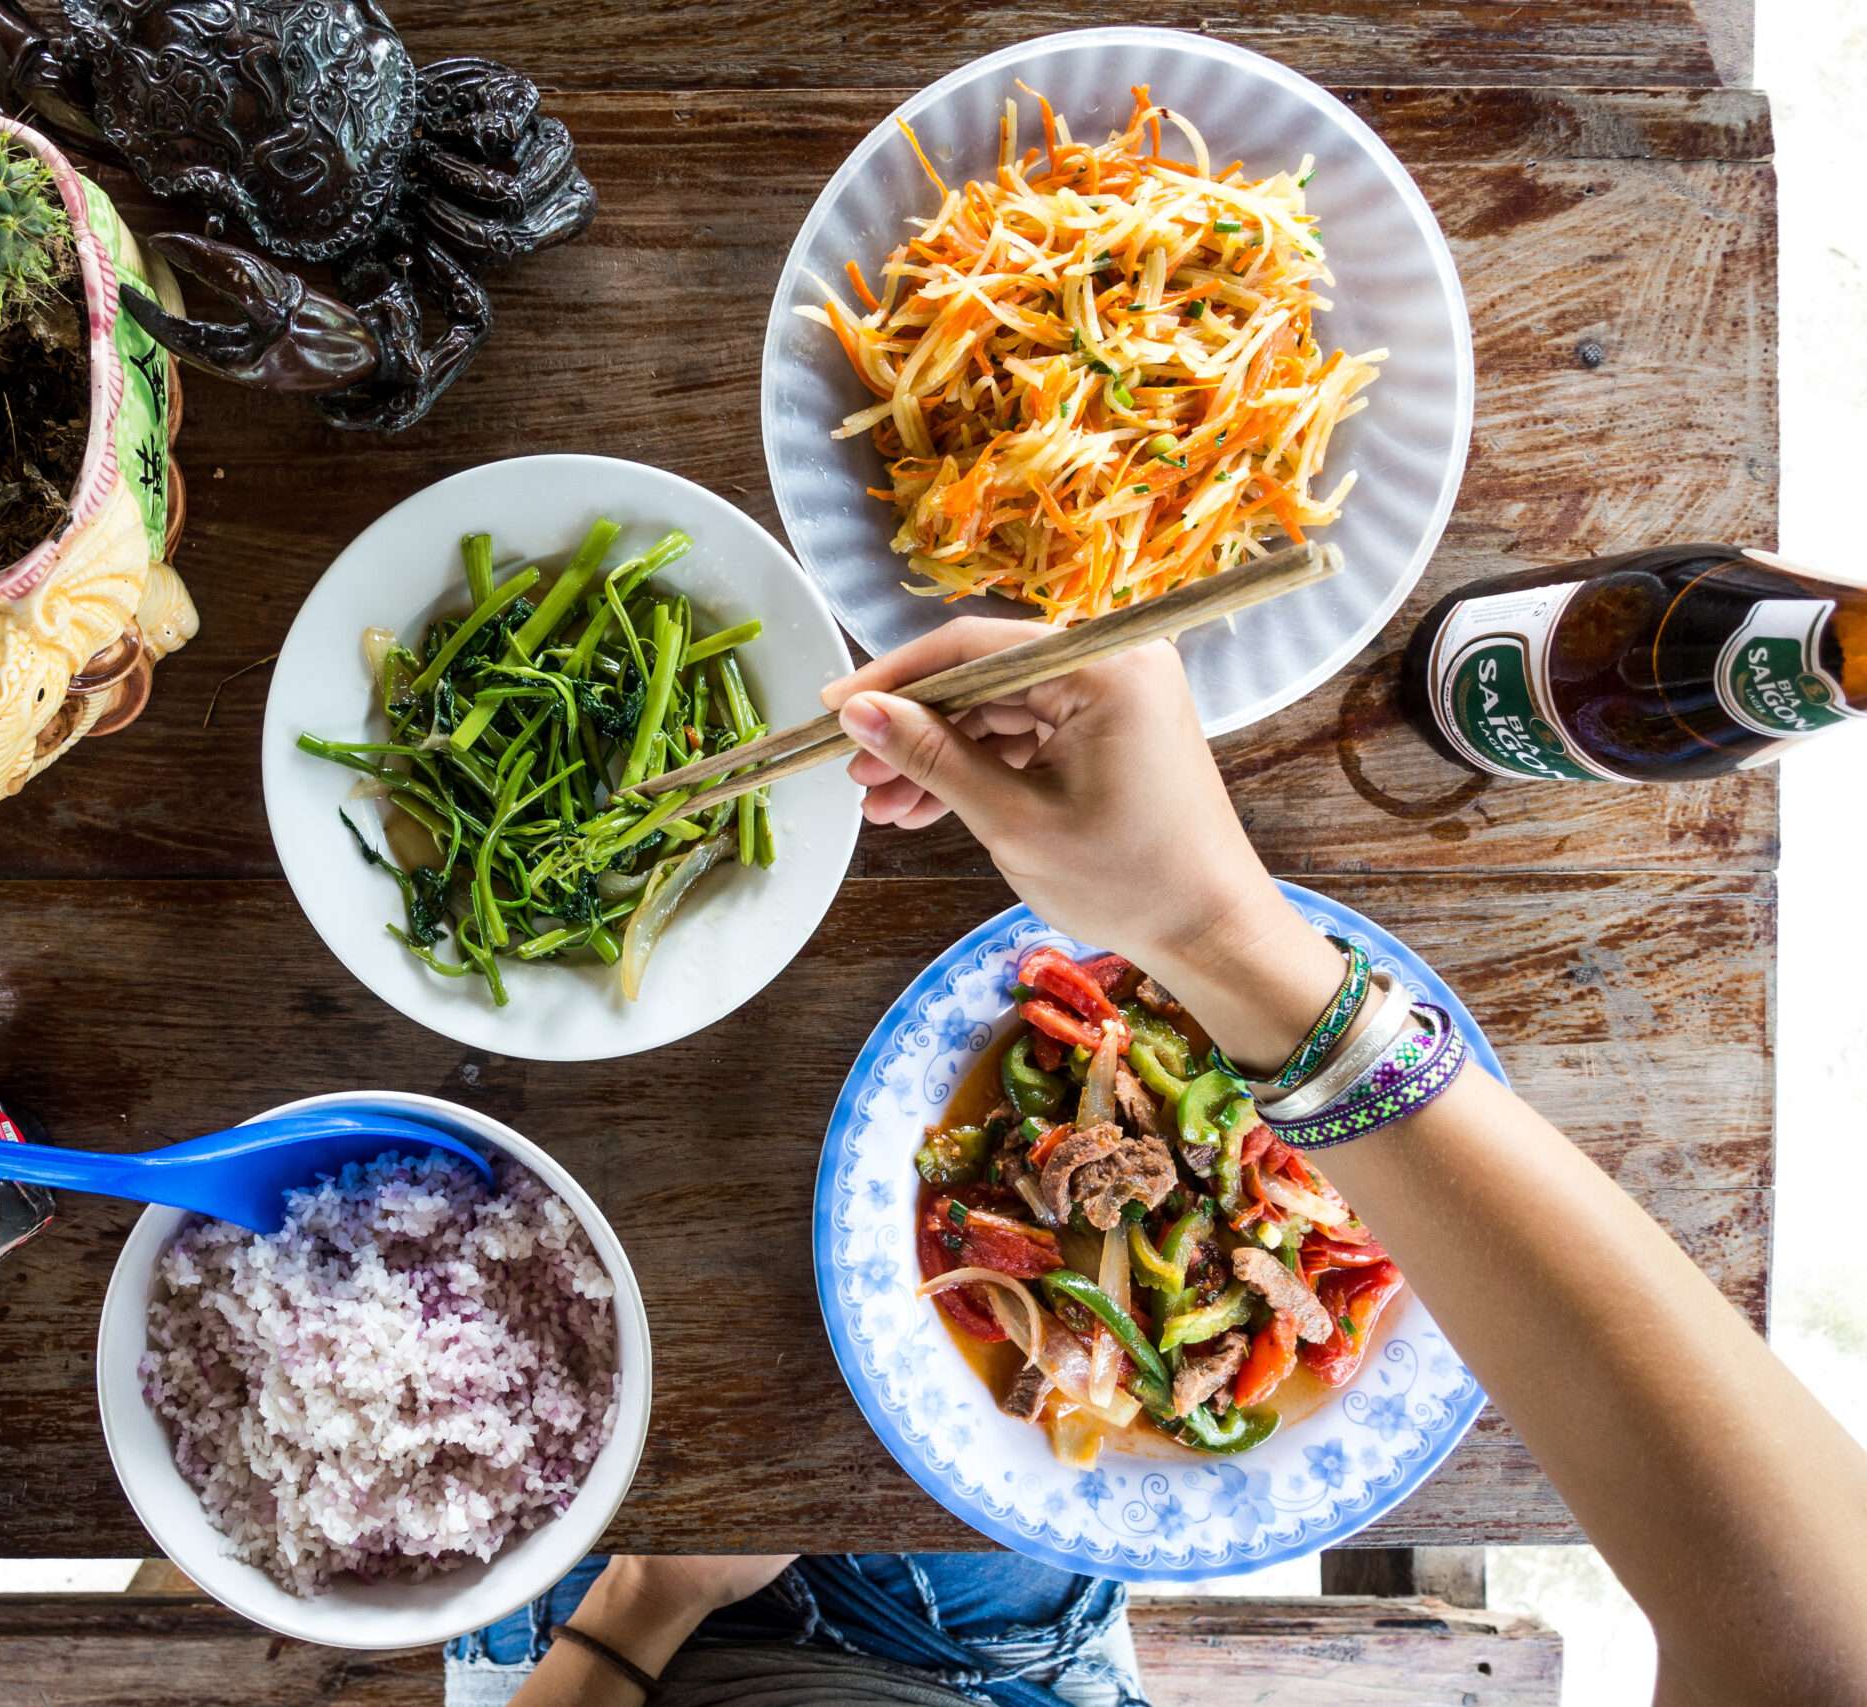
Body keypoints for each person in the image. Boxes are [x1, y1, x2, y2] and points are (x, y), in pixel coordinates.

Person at [449, 620, 1867, 1707]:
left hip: (623, 1645)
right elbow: (1816, 1628)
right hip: (1001, 1658)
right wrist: (1216, 935)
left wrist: (639, 1613)